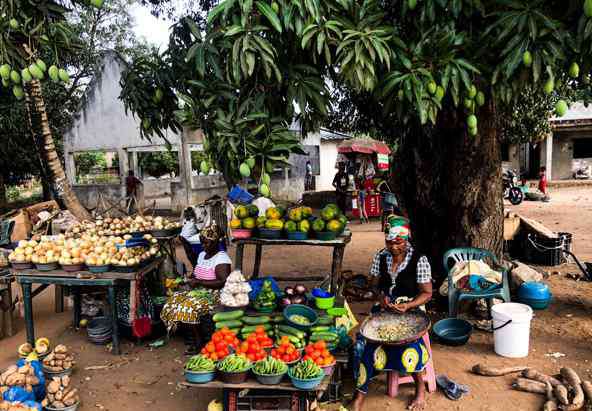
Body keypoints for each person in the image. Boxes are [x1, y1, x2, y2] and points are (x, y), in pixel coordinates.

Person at [352, 225, 433, 411]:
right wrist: (381, 298)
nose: (393, 247)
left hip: (412, 310)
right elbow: (372, 287)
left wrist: (409, 305)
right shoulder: (381, 256)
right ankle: (359, 395)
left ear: (406, 240)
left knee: (409, 345)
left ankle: (420, 389)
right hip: (385, 308)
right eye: (389, 242)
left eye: (398, 242)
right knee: (366, 344)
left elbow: (427, 293)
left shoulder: (419, 259)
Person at [160, 224, 232, 354]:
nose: (203, 246)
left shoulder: (222, 258)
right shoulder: (202, 255)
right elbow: (196, 273)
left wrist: (199, 282)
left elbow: (223, 282)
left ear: (215, 242)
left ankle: (199, 342)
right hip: (198, 291)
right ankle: (189, 335)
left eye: (207, 243)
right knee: (173, 302)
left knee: (188, 307)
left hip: (214, 295)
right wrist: (186, 280)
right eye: (202, 243)